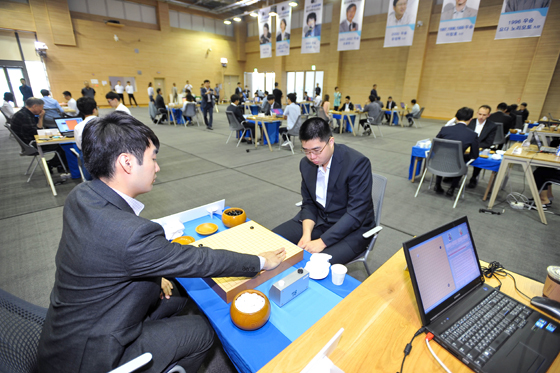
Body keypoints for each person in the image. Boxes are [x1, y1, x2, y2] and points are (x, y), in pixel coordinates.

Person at [36, 111, 286, 373]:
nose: (157, 167)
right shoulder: (131, 235)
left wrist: (155, 269)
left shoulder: (81, 195)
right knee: (201, 330)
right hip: (95, 355)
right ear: (127, 163)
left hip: (68, 330)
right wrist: (260, 260)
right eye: (153, 158)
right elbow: (199, 259)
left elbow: (112, 256)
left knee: (178, 296)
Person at [273, 117, 374, 264]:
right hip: (320, 219)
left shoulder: (356, 163)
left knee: (314, 265)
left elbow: (355, 214)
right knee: (272, 240)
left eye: (316, 150)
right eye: (306, 151)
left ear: (330, 142)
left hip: (351, 229)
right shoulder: (306, 164)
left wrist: (321, 242)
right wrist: (306, 234)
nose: (312, 157)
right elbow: (308, 203)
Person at [11, 97, 68, 174]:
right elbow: (37, 132)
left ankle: (58, 164)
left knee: (60, 143)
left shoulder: (23, 113)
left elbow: (36, 130)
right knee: (63, 145)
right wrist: (41, 118)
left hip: (28, 142)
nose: (42, 110)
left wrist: (40, 117)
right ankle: (53, 164)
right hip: (32, 144)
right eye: (41, 108)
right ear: (34, 106)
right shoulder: (25, 116)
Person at [433, 107, 479, 197]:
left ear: (456, 118)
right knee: (461, 161)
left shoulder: (445, 129)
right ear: (470, 120)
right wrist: (462, 156)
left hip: (438, 163)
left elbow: (435, 145)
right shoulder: (473, 135)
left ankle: (437, 184)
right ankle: (452, 188)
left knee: (442, 157)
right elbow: (474, 155)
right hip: (456, 166)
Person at [466, 105, 497, 189]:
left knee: (480, 157)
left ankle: (473, 177)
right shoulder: (470, 122)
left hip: (480, 147)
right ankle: (455, 175)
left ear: (488, 115)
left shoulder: (492, 126)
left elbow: (489, 142)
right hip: (466, 146)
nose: (481, 117)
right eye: (480, 114)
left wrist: (475, 146)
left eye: (484, 115)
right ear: (477, 113)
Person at [73, 96, 98, 181]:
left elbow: (80, 146)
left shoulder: (78, 127)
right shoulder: (107, 123)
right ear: (94, 109)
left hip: (90, 162)